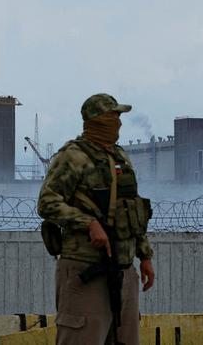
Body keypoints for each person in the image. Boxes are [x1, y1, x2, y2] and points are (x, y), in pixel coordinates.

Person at [37, 93, 155, 345]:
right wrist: (88, 222)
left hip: (123, 270)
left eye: (119, 116)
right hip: (85, 268)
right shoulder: (72, 157)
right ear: (96, 120)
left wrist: (144, 256)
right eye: (113, 116)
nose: (118, 122)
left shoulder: (120, 157)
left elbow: (132, 209)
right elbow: (47, 203)